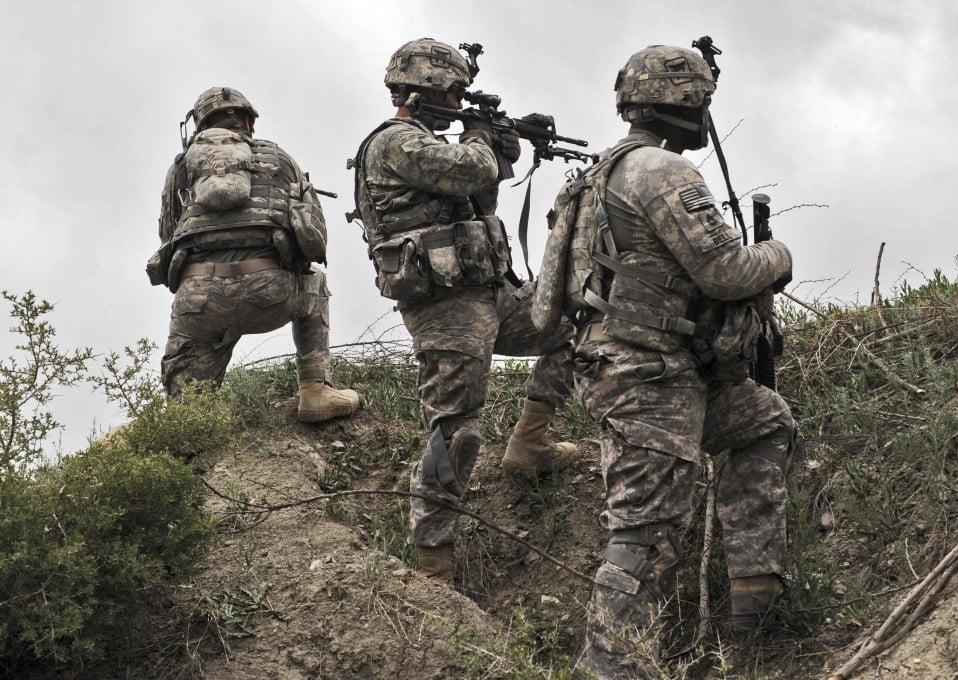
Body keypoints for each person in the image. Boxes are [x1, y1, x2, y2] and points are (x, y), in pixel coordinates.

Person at [545, 46, 795, 678]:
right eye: (703, 102)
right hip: (647, 376)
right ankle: (609, 671)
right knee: (646, 535)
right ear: (689, 104)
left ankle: (755, 601)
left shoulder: (593, 177)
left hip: (655, 372)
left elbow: (548, 300)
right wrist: (780, 256)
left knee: (763, 420)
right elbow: (726, 270)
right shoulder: (660, 170)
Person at [349, 38, 578, 581]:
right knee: (454, 433)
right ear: (425, 89)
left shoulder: (433, 144)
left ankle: (529, 443)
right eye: (454, 93)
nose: (459, 103)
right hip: (445, 306)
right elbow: (470, 170)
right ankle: (434, 565)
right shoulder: (395, 141)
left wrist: (505, 145)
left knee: (575, 325)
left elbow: (478, 198)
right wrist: (484, 139)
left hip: (491, 293)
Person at [153, 86, 359, 423]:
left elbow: (168, 237)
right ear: (247, 120)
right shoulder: (279, 158)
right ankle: (315, 391)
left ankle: (186, 424)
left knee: (186, 413)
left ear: (199, 126)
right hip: (271, 291)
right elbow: (313, 239)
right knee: (314, 283)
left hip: (198, 301)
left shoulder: (180, 168)